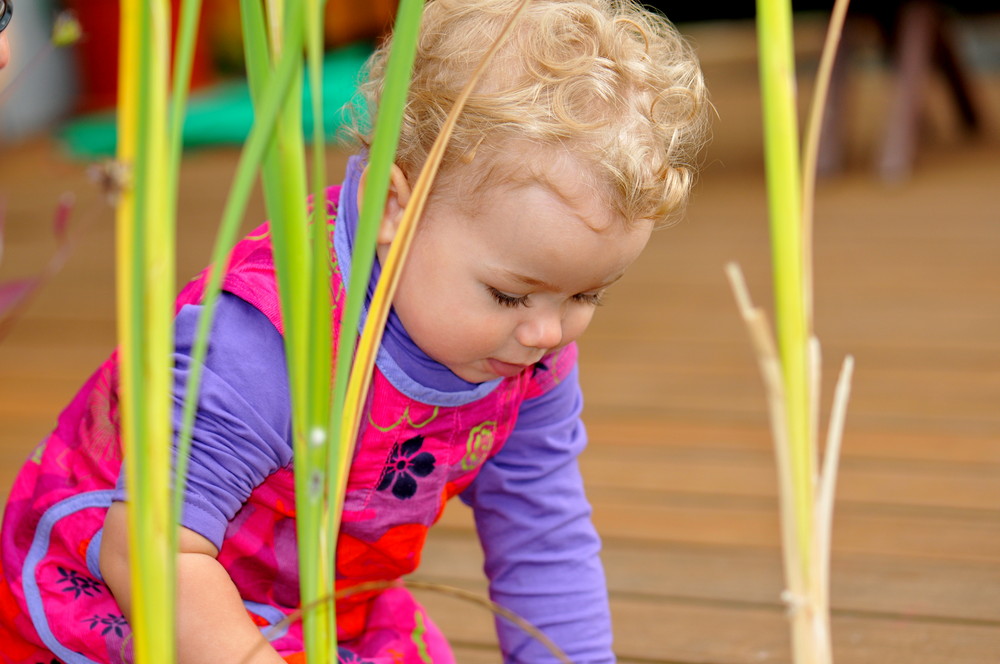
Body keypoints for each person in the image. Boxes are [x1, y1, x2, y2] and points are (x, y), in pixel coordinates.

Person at [0, 0, 708, 662]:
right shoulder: (265, 337)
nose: (547, 332)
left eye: (587, 294)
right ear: (393, 206)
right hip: (127, 595)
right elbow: (149, 550)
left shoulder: (529, 350)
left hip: (324, 602)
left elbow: (542, 536)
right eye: (508, 293)